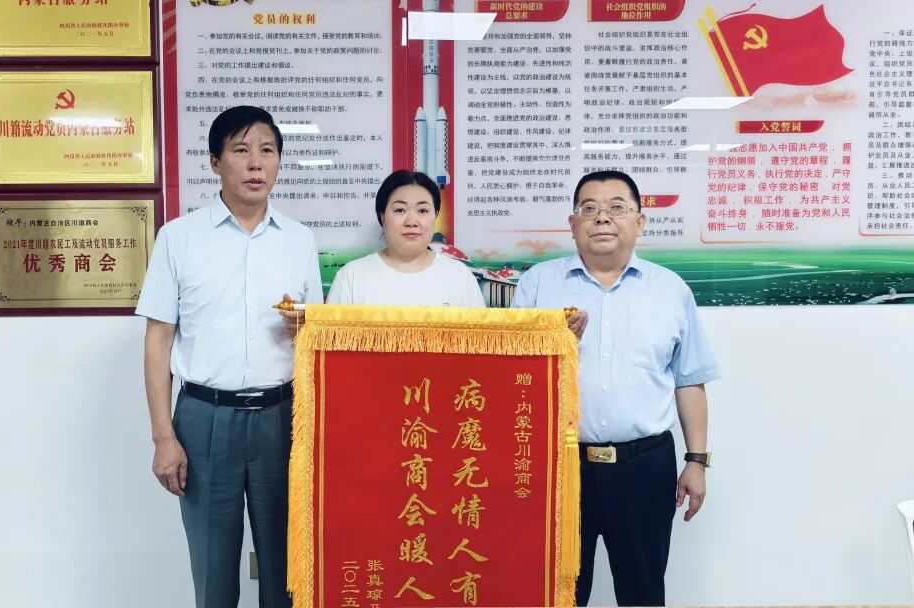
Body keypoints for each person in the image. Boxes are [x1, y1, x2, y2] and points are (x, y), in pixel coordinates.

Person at [135, 105, 321, 608]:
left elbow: (315, 341)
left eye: (267, 150)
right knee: (214, 571)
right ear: (216, 162)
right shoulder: (179, 237)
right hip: (205, 418)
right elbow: (158, 340)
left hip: (281, 417)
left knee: (288, 570)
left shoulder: (300, 241)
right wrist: (163, 438)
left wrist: (305, 329)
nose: (256, 163)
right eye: (241, 150)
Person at [512, 170, 720, 606]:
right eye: (589, 209)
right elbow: (514, 379)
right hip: (560, 467)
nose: (602, 218)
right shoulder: (538, 284)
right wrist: (554, 345)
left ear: (640, 222)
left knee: (643, 592)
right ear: (572, 224)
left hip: (645, 465)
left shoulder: (670, 290)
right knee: (558, 594)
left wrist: (696, 460)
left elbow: (689, 380)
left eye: (616, 208)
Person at [326, 170, 485, 307]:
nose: (411, 222)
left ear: (435, 216)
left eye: (422, 211)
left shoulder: (459, 277)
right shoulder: (351, 278)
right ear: (382, 216)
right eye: (400, 210)